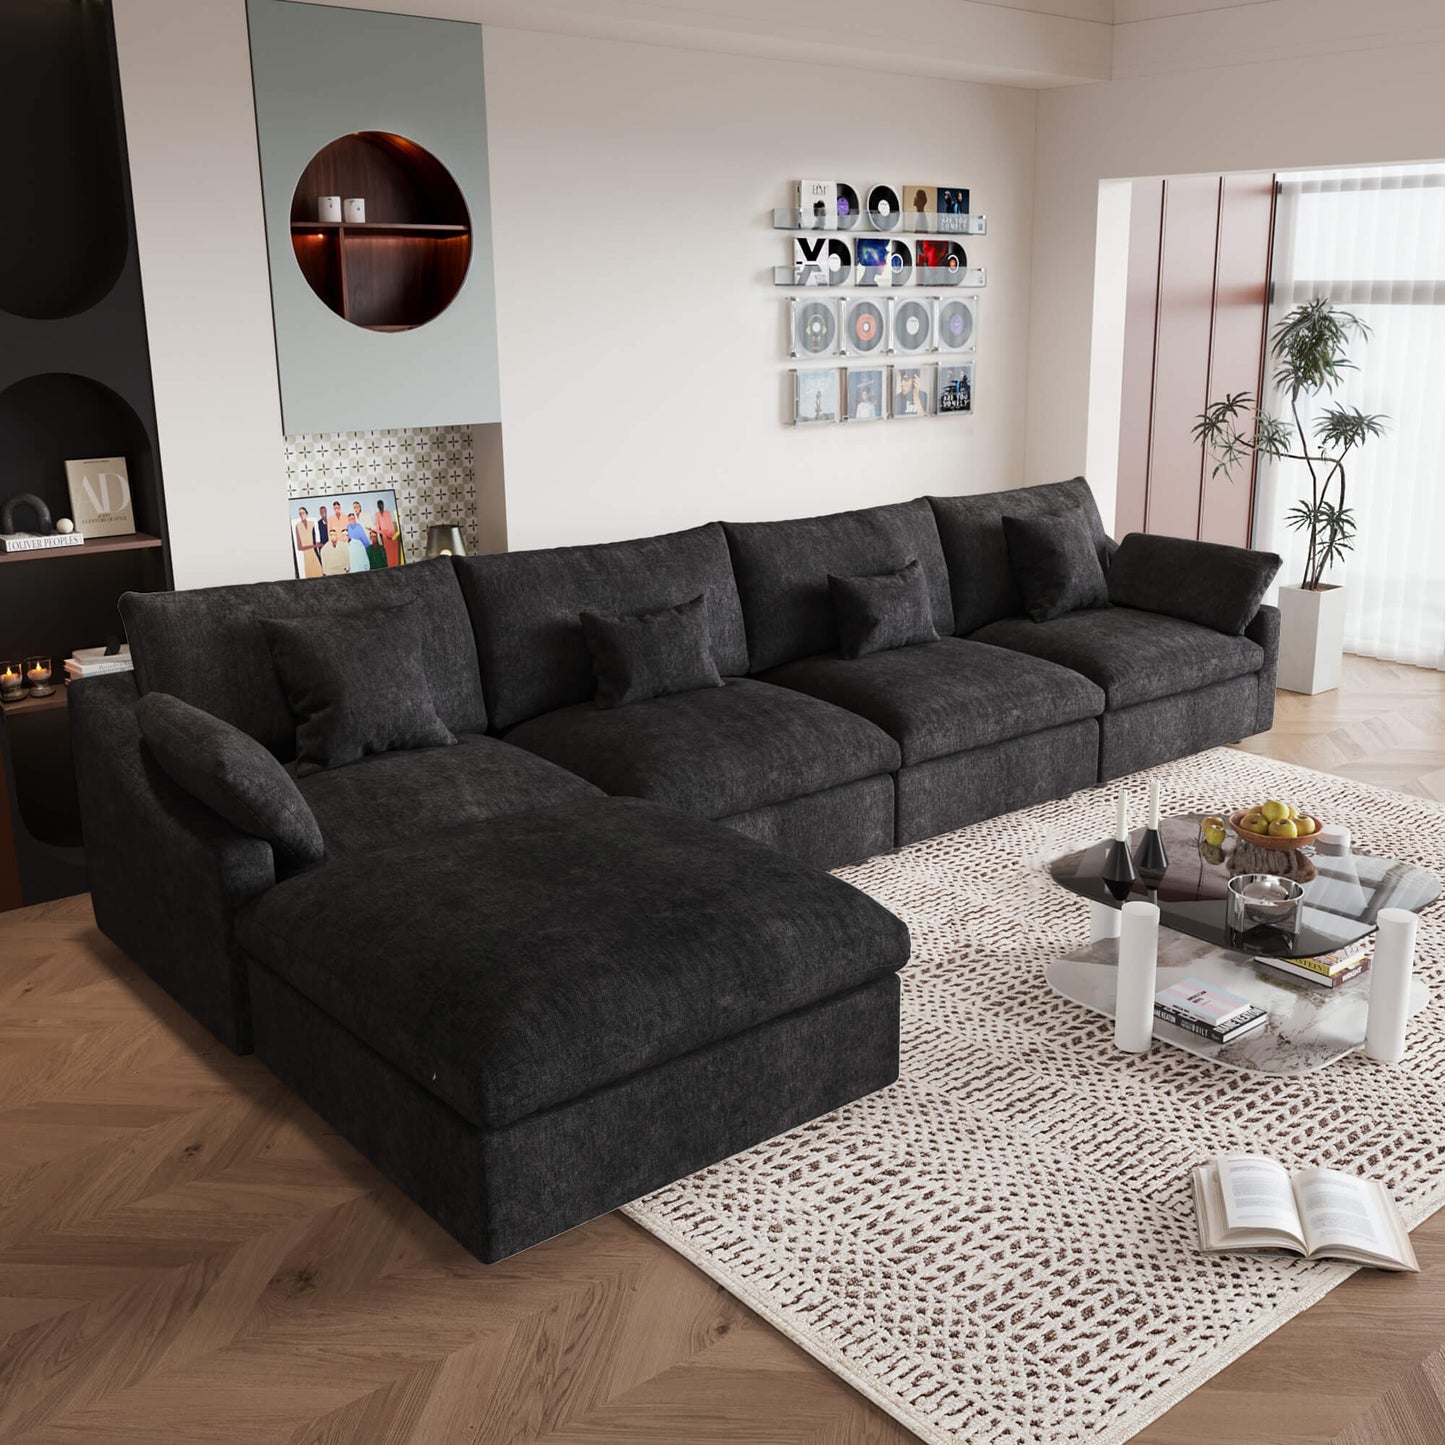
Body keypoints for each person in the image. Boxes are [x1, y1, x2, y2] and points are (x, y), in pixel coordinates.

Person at [293, 508, 322, 578]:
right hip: (307, 556)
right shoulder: (298, 526)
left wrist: (318, 545)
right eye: (300, 513)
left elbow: (316, 538)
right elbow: (300, 547)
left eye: (303, 513)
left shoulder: (312, 524)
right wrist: (314, 546)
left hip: (315, 553)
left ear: (306, 513)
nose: (301, 515)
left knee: (320, 572)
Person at [375, 498, 400, 567]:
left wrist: (393, 536)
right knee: (389, 555)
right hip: (386, 537)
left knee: (394, 554)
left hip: (391, 535)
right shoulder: (377, 514)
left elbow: (390, 524)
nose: (380, 506)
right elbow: (378, 527)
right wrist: (381, 540)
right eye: (379, 505)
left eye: (381, 505)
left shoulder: (387, 512)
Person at [347, 504, 372, 572]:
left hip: (360, 549)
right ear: (348, 520)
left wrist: (368, 548)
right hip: (351, 551)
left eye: (353, 518)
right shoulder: (347, 528)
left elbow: (364, 538)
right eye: (350, 519)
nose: (352, 520)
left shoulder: (359, 526)